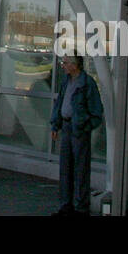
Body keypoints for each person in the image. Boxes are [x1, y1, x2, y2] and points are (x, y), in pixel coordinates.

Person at [49, 54, 105, 216]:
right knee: (65, 168)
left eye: (65, 63)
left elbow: (96, 111)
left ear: (75, 65)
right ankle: (65, 205)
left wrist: (85, 125)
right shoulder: (67, 82)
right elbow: (60, 103)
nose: (63, 65)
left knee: (80, 169)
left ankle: (81, 207)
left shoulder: (87, 83)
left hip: (78, 129)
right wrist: (56, 124)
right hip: (66, 126)